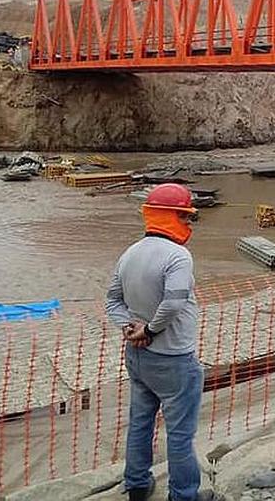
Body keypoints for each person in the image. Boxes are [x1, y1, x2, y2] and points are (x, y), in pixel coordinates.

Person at [105, 183, 215, 501]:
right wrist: (150, 330)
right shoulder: (178, 256)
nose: (189, 223)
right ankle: (184, 496)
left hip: (138, 357)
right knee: (180, 434)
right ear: (172, 216)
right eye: (185, 216)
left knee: (140, 422)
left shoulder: (130, 253)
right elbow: (174, 302)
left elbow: (112, 300)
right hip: (173, 359)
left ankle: (137, 484)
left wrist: (131, 329)